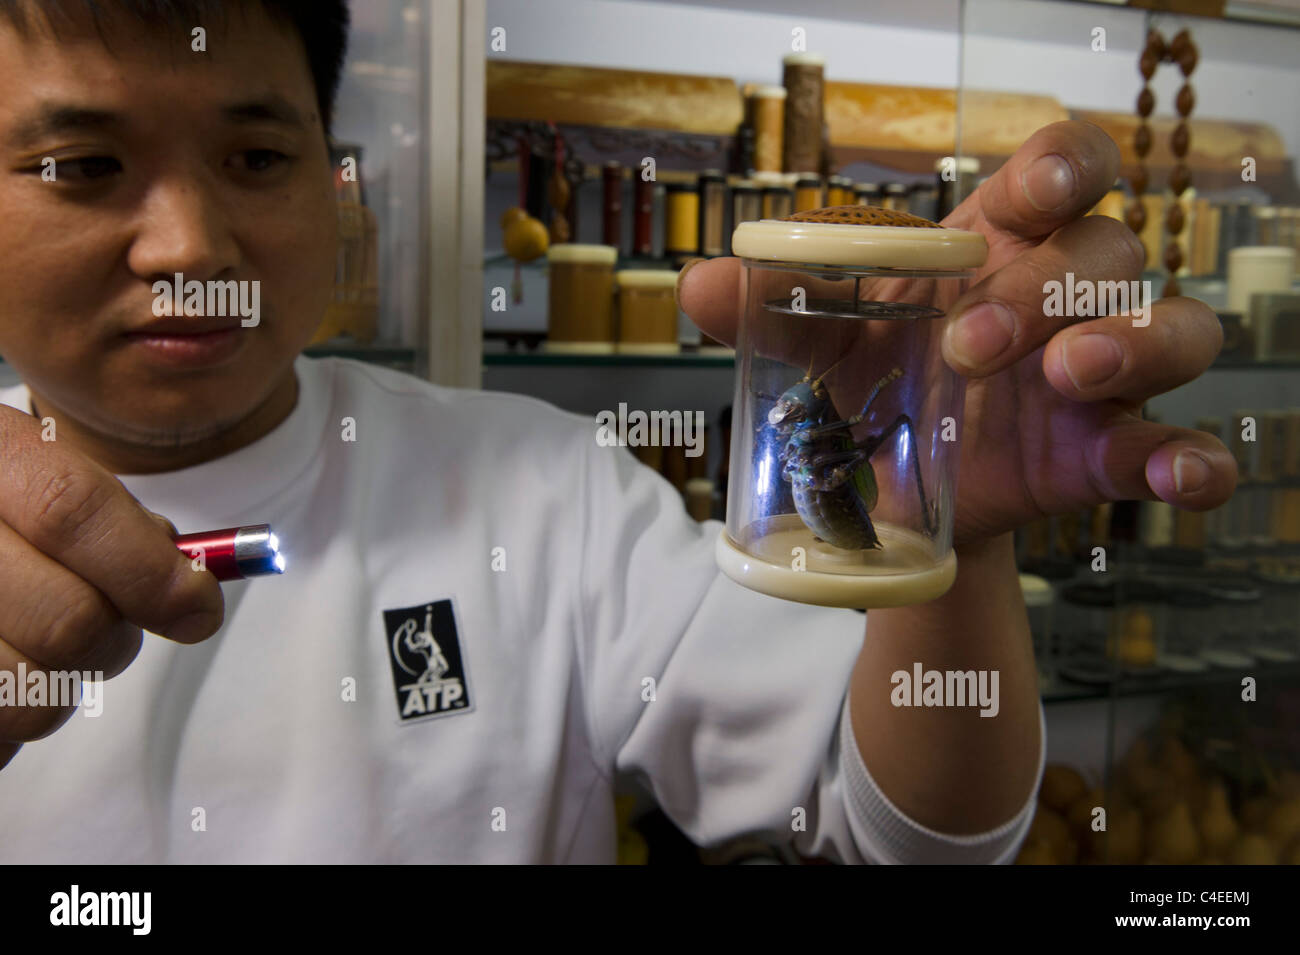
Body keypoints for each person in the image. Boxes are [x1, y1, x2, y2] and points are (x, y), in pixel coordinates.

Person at [0, 0, 1234, 864]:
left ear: (333, 180)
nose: (188, 248)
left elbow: (900, 835)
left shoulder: (543, 489)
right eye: (79, 165)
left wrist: (946, 537)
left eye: (255, 154)